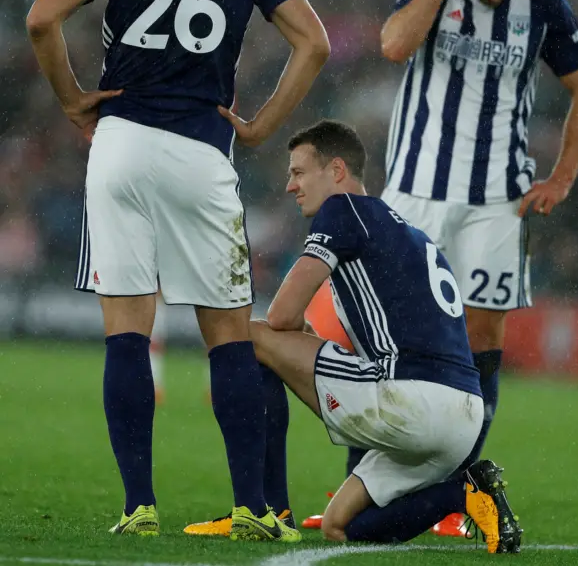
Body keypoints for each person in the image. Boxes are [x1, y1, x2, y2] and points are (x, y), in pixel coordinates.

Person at [25, 0, 330, 541]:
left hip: (122, 144)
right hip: (201, 150)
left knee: (127, 333)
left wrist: (72, 98)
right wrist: (258, 125)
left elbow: (42, 17)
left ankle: (138, 505)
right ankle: (254, 504)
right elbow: (312, 42)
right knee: (226, 335)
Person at [188, 119, 522, 553]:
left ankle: (268, 510)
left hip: (413, 400)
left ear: (337, 170)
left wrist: (295, 334)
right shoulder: (409, 231)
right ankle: (463, 493)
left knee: (249, 338)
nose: (291, 186)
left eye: (299, 172)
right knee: (340, 525)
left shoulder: (342, 210)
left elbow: (283, 315)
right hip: (463, 416)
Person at [378, 0, 578, 532]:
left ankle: (459, 495)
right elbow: (393, 45)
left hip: (499, 202)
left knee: (482, 344)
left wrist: (562, 177)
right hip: (416, 193)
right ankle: (367, 488)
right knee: (393, 336)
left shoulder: (543, 7)